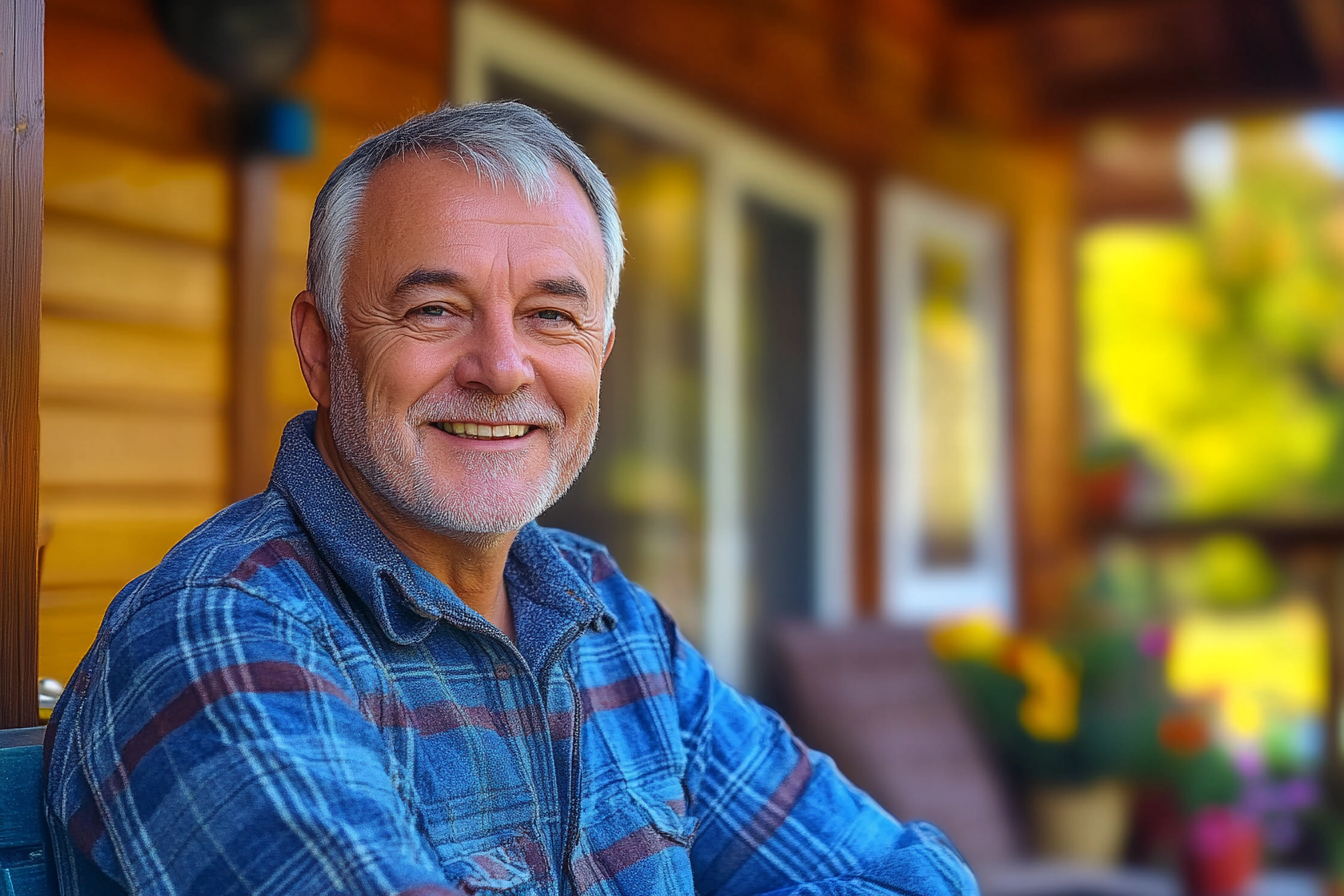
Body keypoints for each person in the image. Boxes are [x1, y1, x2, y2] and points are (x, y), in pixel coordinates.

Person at [45, 101, 978, 896]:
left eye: (552, 317)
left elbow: (900, 875)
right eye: (435, 311)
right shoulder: (220, 633)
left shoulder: (606, 612)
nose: (502, 369)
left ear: (600, 354)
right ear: (322, 347)